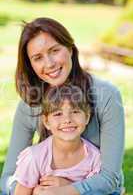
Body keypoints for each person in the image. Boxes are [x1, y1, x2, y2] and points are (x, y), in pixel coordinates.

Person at [0, 17, 125, 195]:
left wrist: (66, 188)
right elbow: (7, 178)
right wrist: (31, 190)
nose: (49, 63)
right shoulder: (30, 105)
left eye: (54, 50)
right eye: (38, 58)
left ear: (70, 49)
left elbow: (109, 178)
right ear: (31, 65)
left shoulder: (106, 96)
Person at [13, 84, 101, 195]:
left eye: (75, 112)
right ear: (46, 122)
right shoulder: (35, 157)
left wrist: (68, 186)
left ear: (87, 117)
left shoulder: (94, 158)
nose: (67, 120)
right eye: (58, 114)